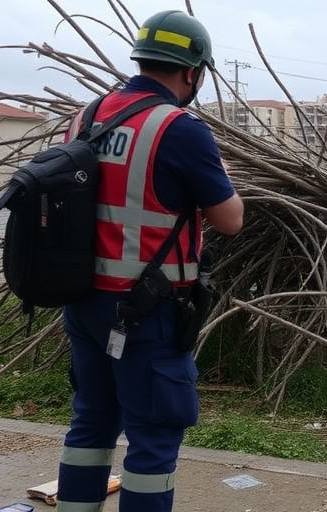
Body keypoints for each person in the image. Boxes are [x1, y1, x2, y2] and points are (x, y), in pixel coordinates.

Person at [56, 10, 243, 512]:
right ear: (192, 73)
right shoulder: (180, 129)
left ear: (141, 59)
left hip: (82, 303)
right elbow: (229, 220)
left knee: (91, 422)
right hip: (147, 312)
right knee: (154, 440)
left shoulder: (88, 116)